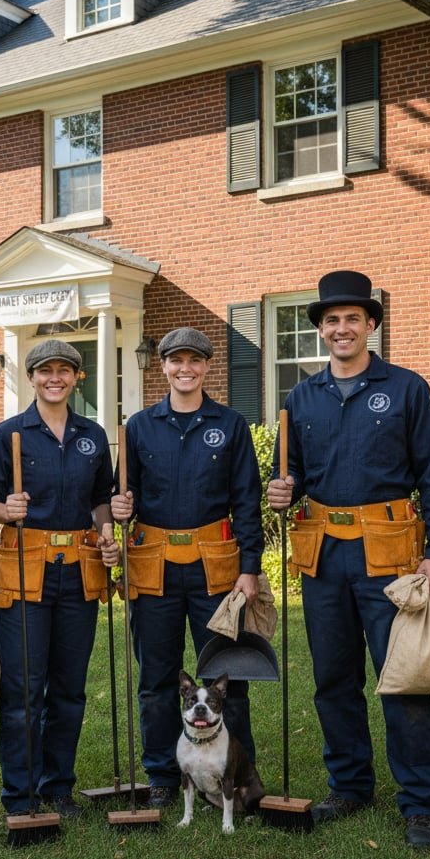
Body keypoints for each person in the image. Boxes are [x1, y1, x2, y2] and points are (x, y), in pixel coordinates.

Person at [266, 270, 430, 849]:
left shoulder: (405, 388)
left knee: (401, 677)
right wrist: (283, 488)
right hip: (323, 555)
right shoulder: (301, 397)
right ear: (321, 331)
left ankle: (421, 803)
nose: (341, 328)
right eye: (331, 321)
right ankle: (349, 785)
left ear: (370, 324)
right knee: (333, 678)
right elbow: (293, 474)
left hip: (390, 556)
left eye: (352, 318)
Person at [110, 327, 263, 807]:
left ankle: (236, 777)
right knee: (156, 678)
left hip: (215, 568)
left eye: (194, 361)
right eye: (176, 361)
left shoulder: (231, 425)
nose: (185, 369)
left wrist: (250, 566)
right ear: (163, 366)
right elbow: (120, 499)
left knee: (225, 675)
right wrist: (116, 508)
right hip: (153, 566)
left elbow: (247, 500)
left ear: (207, 367)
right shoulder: (137, 427)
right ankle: (161, 775)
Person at [0, 339, 119, 819]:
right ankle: (22, 794)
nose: (54, 378)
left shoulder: (92, 436)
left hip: (80, 571)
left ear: (77, 377)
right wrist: (4, 510)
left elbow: (102, 496)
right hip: (24, 573)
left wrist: (106, 531)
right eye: (44, 371)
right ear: (31, 377)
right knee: (22, 689)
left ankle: (58, 787)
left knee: (69, 688)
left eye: (65, 370)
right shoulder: (9, 434)